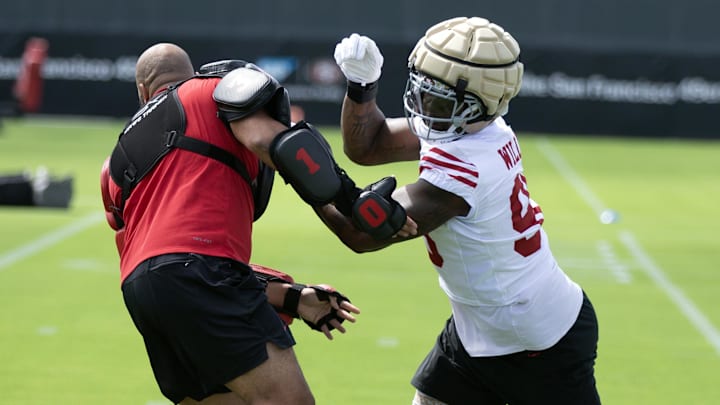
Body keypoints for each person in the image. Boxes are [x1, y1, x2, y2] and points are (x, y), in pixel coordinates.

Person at [100, 43, 413, 404]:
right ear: (189, 73)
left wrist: (293, 298)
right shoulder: (208, 90)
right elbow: (280, 145)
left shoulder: (115, 163)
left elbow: (166, 263)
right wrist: (354, 201)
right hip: (200, 272)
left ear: (142, 92)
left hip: (143, 294)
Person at [319, 17, 601, 404]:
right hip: (483, 330)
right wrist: (362, 86)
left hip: (535, 342)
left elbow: (360, 234)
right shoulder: (478, 128)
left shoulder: (467, 166)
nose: (422, 107)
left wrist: (303, 169)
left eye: (435, 100)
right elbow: (369, 146)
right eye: (420, 91)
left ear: (474, 106)